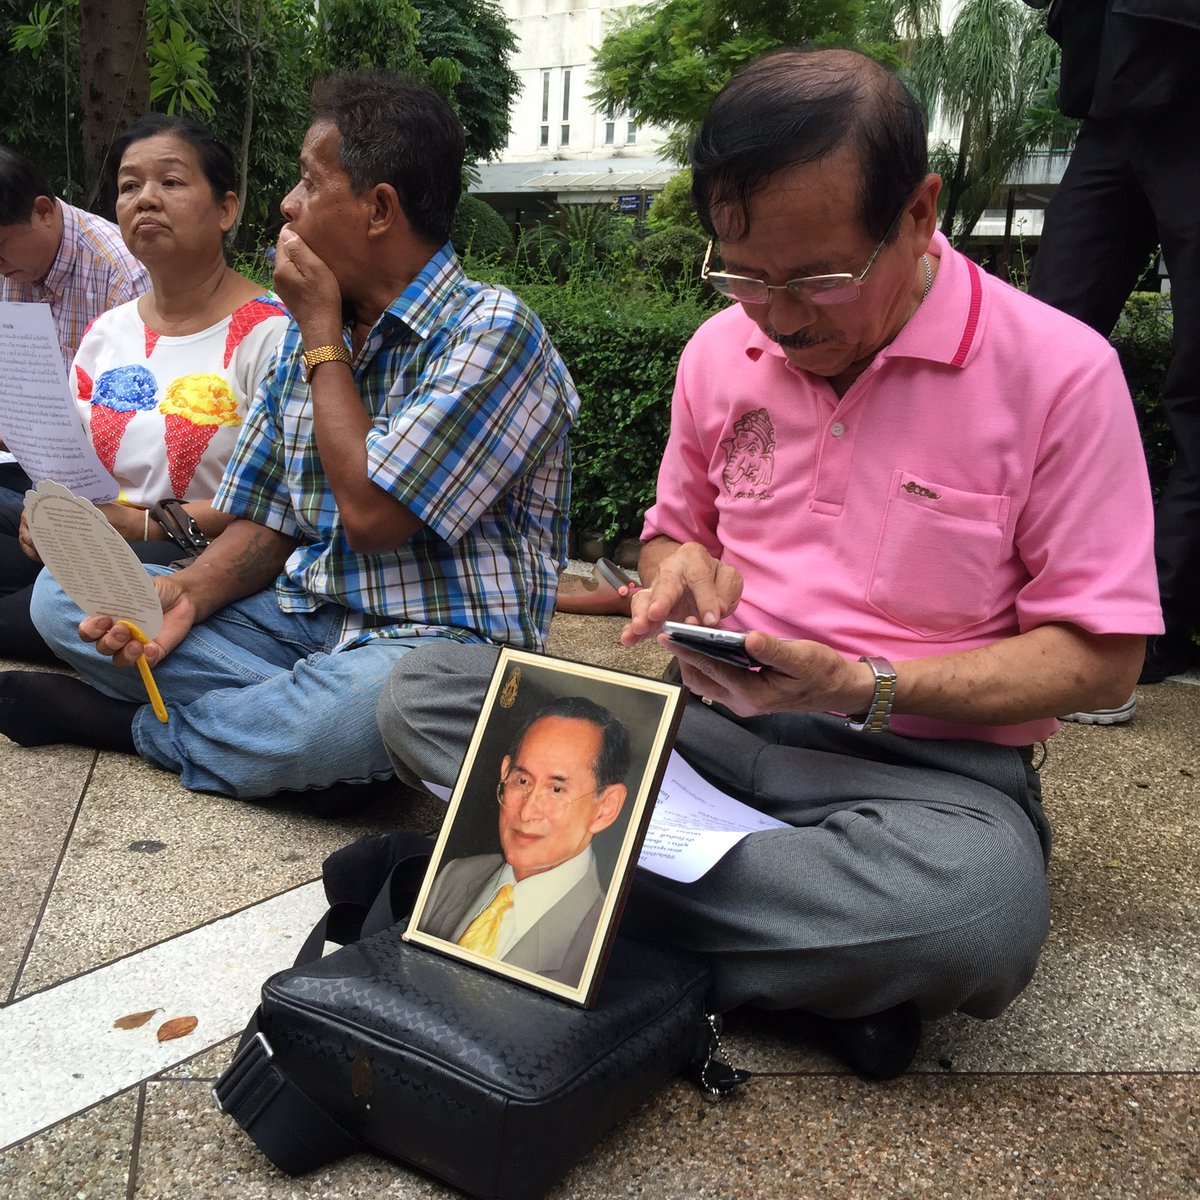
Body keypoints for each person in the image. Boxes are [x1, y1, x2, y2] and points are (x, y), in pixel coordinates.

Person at [377, 47, 1161, 1078]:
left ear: (919, 213)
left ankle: (576, 906)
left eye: (820, 279)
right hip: (700, 728)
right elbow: (672, 534)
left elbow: (1103, 658)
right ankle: (811, 974)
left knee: (980, 911)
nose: (782, 317)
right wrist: (678, 570)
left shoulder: (1059, 373)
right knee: (421, 693)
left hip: (924, 774)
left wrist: (870, 685)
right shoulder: (719, 353)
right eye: (743, 274)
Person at [0, 72, 578, 809]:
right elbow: (268, 520)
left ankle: (145, 729)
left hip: (442, 648)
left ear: (378, 208)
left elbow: (371, 518)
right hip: (303, 617)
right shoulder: (310, 329)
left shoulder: (491, 332)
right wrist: (184, 592)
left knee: (391, 706)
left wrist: (321, 338)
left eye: (309, 182)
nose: (289, 205)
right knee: (63, 597)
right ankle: (299, 746)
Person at [0, 115, 289, 664]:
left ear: (226, 209)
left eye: (171, 182)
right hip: (93, 543)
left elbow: (278, 508)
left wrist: (140, 523)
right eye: (130, 186)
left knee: (46, 605)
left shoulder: (271, 336)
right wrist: (48, 516)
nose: (145, 199)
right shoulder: (108, 331)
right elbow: (68, 460)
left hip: (184, 554)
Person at [1026, 0, 1200, 709]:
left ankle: (1154, 629)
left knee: (1196, 390)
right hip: (1115, 93)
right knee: (1039, 357)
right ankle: (1027, 595)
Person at [418, 696, 630, 987]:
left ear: (606, 808)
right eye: (522, 781)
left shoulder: (597, 939)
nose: (527, 811)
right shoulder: (456, 875)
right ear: (504, 773)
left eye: (557, 789)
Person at [0, 145, 149, 500]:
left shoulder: (122, 274)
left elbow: (143, 420)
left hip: (114, 495)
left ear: (43, 211)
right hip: (29, 467)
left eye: (0, 244)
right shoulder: (12, 266)